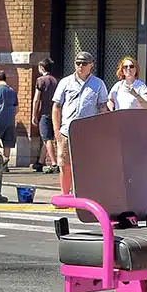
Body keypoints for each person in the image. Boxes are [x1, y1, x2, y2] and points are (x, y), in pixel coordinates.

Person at [52, 51, 110, 195]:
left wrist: (104, 130)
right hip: (67, 130)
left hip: (89, 131)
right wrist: (56, 130)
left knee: (87, 165)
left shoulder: (98, 84)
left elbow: (102, 107)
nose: (80, 66)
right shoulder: (65, 82)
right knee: (64, 164)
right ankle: (65, 195)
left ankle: (84, 195)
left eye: (84, 63)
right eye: (78, 63)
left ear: (91, 65)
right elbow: (56, 107)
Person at [32, 59, 59, 173]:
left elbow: (36, 99)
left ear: (42, 68)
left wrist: (34, 114)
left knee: (47, 138)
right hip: (55, 112)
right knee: (46, 137)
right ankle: (40, 162)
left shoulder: (40, 80)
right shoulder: (56, 81)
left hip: (45, 113)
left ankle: (54, 163)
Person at [0, 70, 19, 169]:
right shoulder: (12, 91)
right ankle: (5, 164)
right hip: (10, 120)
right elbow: (17, 108)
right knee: (8, 143)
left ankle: (0, 160)